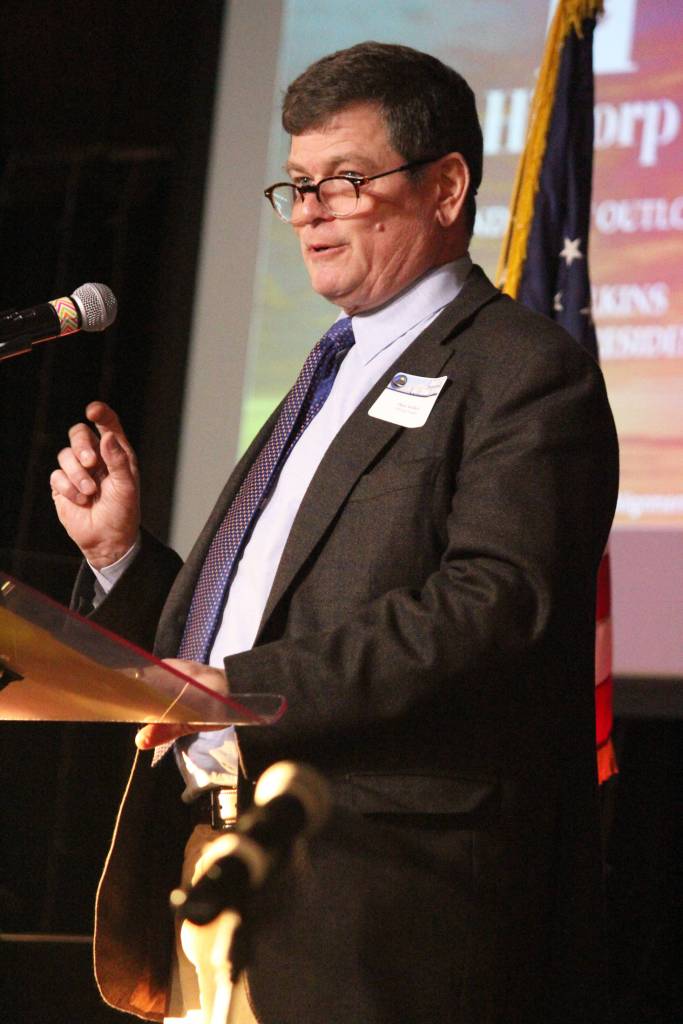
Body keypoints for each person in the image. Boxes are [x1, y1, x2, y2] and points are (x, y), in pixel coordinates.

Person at [51, 42, 619, 1024]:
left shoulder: (520, 370)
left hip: (371, 907)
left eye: (345, 180)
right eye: (298, 184)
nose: (309, 211)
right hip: (209, 877)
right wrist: (121, 558)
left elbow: (492, 604)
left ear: (445, 188)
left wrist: (246, 689)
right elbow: (255, 622)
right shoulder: (324, 376)